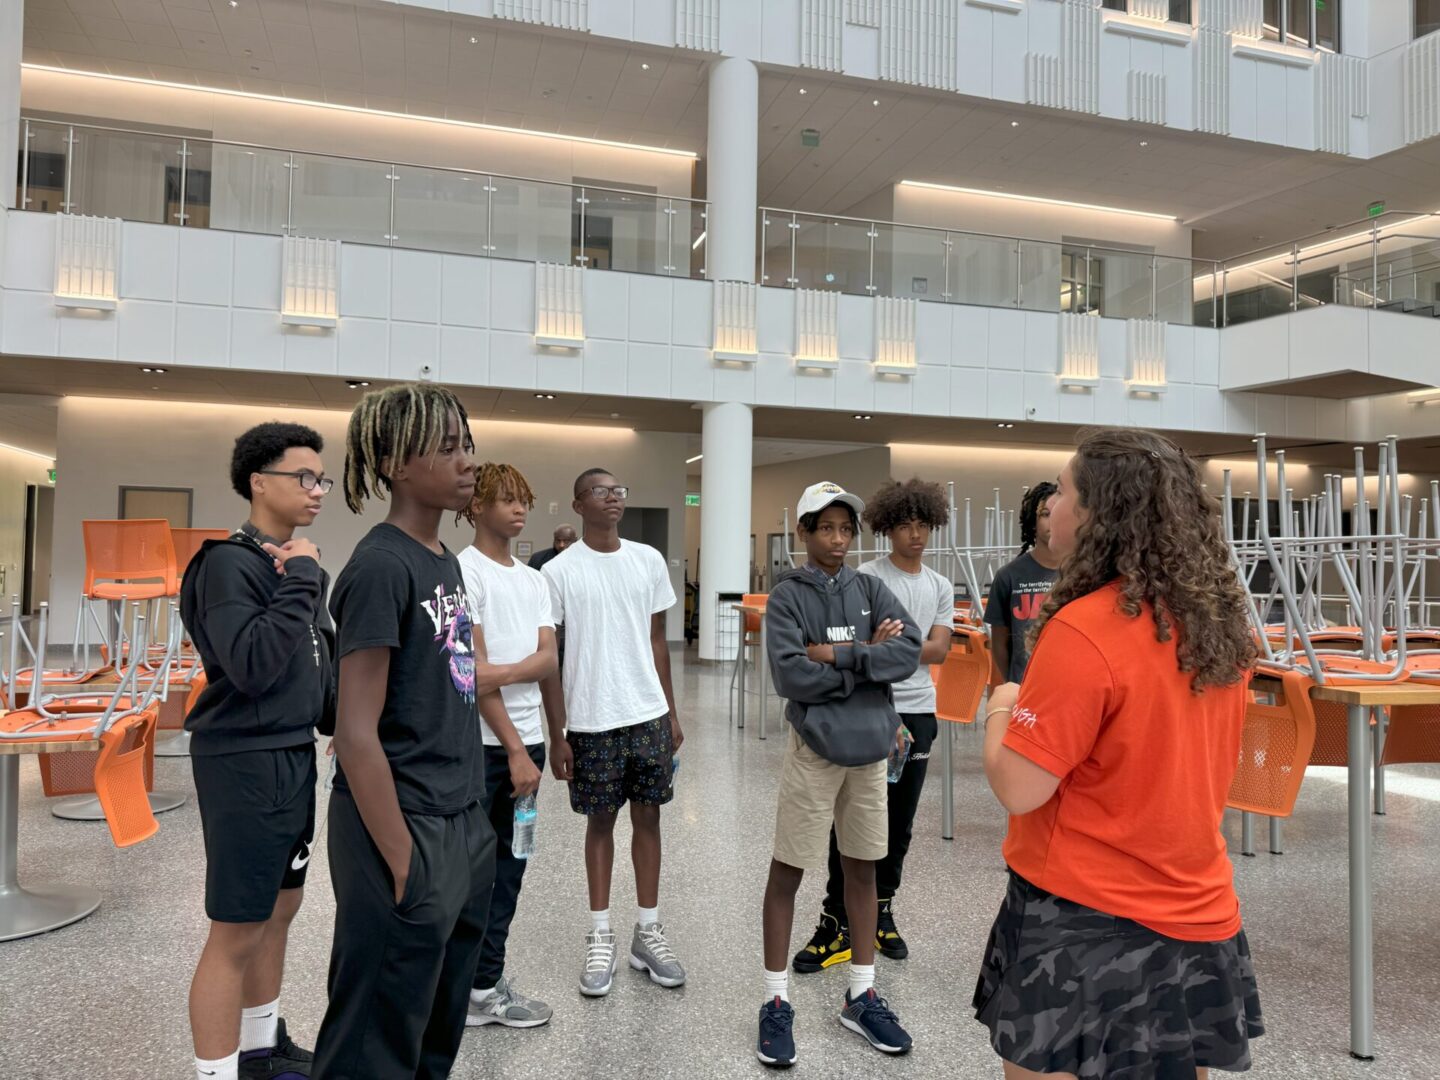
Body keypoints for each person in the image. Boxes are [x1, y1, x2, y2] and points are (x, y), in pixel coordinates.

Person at [975, 428, 1263, 1079]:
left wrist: (1000, 706)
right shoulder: (1221, 626)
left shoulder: (1083, 627)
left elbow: (1021, 787)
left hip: (1081, 920)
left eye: (1066, 494)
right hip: (1197, 914)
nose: (1053, 508)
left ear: (1102, 514)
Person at [312, 384, 510, 1078]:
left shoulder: (444, 561)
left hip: (460, 820)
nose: (468, 462)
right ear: (397, 462)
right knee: (375, 1037)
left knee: (434, 1027)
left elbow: (454, 684)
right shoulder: (379, 567)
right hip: (401, 824)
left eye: (469, 445)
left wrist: (474, 831)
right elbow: (355, 732)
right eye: (449, 447)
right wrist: (402, 859)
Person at [181, 422, 334, 1080]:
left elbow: (315, 667)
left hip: (293, 754)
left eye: (321, 478)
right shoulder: (226, 565)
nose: (317, 489)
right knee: (237, 929)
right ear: (257, 482)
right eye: (304, 477)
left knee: (281, 911)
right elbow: (250, 665)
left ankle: (259, 1052)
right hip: (245, 761)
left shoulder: (291, 563)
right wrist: (303, 576)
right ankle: (217, 1073)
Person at [757, 481, 923, 1068]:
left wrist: (838, 656)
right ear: (804, 532)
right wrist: (865, 665)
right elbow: (792, 677)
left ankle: (861, 992)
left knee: (863, 871)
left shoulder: (872, 588)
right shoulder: (787, 597)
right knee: (789, 869)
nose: (837, 539)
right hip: (815, 750)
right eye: (825, 528)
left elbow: (910, 653)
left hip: (870, 753)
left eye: (846, 528)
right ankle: (776, 1001)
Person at [793, 479, 954, 976]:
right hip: (863, 712)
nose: (915, 534)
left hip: (919, 712)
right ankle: (835, 920)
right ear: (887, 529)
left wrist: (879, 649)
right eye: (905, 525)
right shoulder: (866, 577)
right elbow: (869, 650)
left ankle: (883, 911)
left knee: (898, 825)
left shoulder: (940, 586)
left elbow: (936, 650)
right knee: (852, 825)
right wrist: (880, 650)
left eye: (922, 525)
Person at [539, 468, 685, 999]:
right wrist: (558, 732)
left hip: (645, 712)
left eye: (619, 489)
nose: (614, 497)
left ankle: (648, 930)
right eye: (601, 491)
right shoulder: (558, 572)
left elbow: (658, 641)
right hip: (592, 718)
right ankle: (600, 933)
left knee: (649, 818)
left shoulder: (646, 560)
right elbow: (550, 658)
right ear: (578, 504)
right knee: (600, 823)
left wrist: (670, 712)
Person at [457, 463, 557, 1029]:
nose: (519, 510)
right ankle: (468, 987)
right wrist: (515, 750)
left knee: (511, 869)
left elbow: (548, 661)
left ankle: (483, 984)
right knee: (474, 874)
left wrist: (502, 672)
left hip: (531, 743)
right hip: (486, 749)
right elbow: (468, 675)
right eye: (506, 501)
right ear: (476, 507)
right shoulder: (464, 573)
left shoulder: (532, 578)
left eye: (524, 499)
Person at [984, 482, 1059, 685]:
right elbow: (999, 643)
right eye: (1045, 514)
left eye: (1058, 512)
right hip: (1024, 689)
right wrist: (1013, 682)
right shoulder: (1009, 576)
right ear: (1032, 521)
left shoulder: (1085, 573)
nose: (1052, 520)